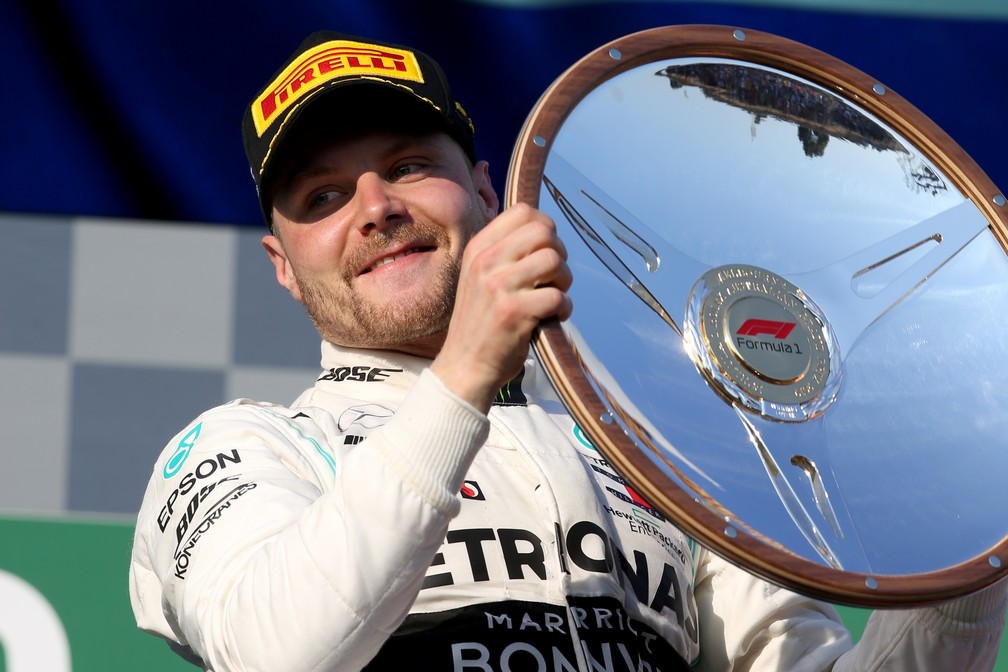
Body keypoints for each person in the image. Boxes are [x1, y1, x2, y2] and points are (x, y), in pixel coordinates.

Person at [128, 30, 1007, 671]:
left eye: (404, 167)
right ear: (283, 267)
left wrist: (973, 520)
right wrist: (465, 373)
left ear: (483, 189)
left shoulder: (661, 439)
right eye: (323, 196)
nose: (375, 207)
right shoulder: (237, 451)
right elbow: (277, 653)